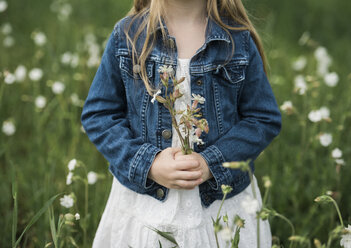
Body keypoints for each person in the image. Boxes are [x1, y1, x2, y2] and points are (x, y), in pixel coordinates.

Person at [81, 0, 282, 247]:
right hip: (145, 205)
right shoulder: (128, 36)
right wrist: (149, 163)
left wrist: (211, 163)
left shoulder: (237, 41)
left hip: (220, 205)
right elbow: (99, 115)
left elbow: (262, 119)